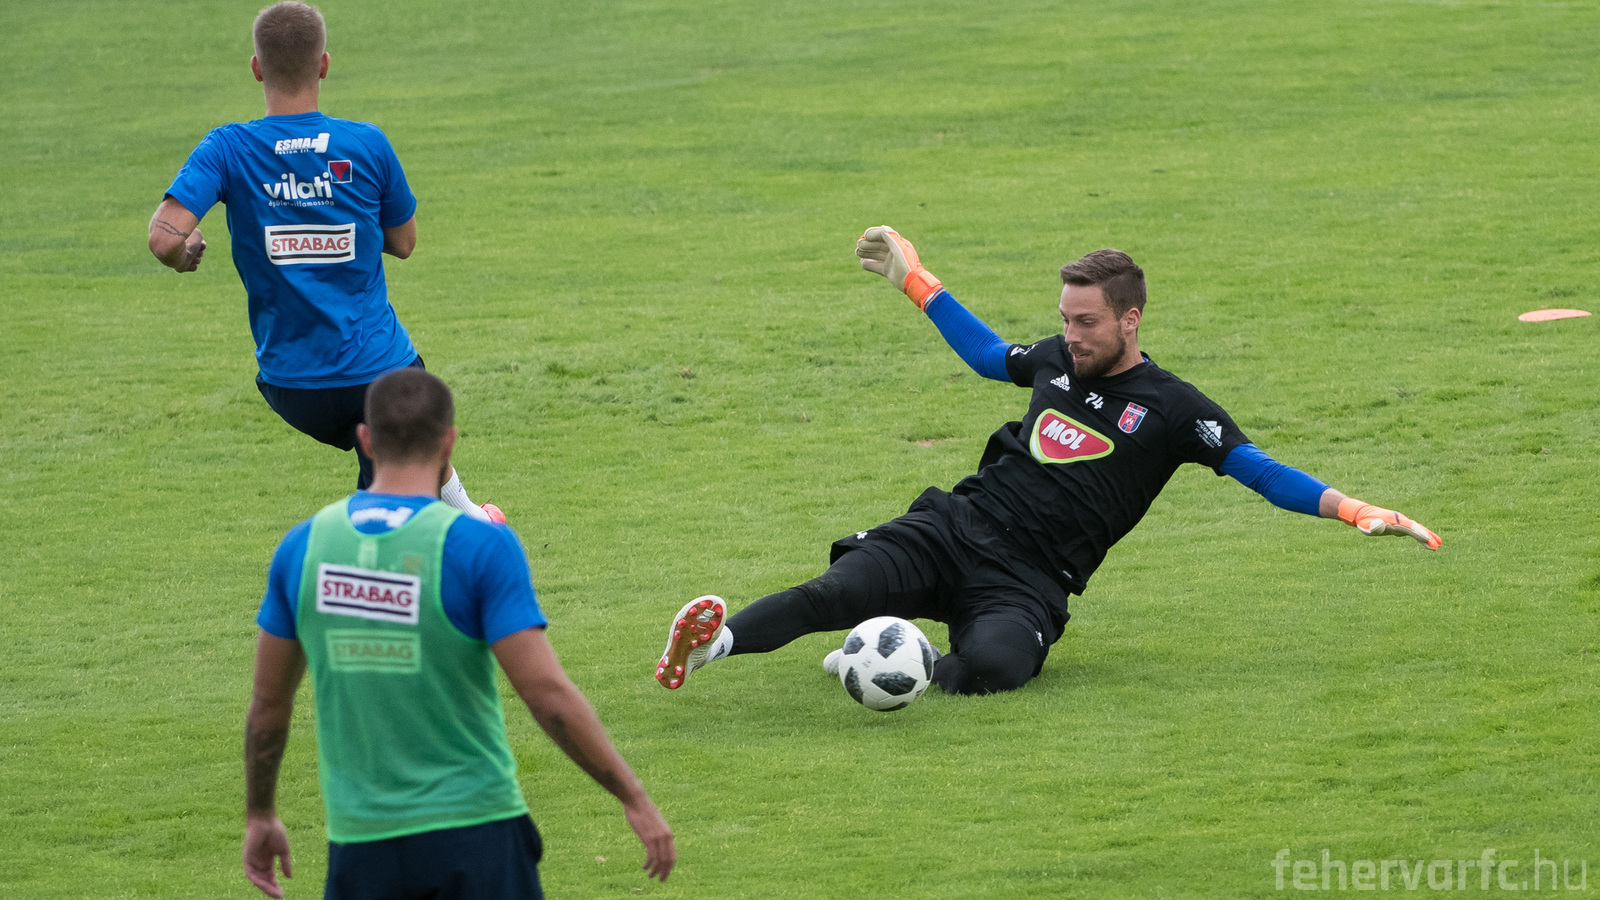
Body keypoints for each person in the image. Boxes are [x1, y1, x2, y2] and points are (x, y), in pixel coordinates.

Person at [654, 227, 1441, 696]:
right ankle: (711, 646)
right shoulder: (1056, 363)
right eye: (1066, 319)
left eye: (1087, 322)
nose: (1071, 335)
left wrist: (1354, 509)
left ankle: (894, 657)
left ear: (1130, 320)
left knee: (995, 670)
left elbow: (1260, 472)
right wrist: (916, 282)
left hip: (1030, 580)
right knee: (832, 591)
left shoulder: (1173, 409)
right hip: (954, 527)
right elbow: (988, 355)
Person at [244, 368, 674, 899]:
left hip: (362, 843)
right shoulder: (479, 547)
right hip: (477, 833)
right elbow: (546, 694)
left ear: (365, 440)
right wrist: (633, 796)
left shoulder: (303, 548)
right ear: (448, 443)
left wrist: (260, 812)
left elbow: (269, 704)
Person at [147, 1, 499, 523]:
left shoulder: (227, 148)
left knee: (398, 453)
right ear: (325, 65)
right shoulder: (365, 144)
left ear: (257, 68)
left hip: (292, 385)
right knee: (407, 425)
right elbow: (404, 242)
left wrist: (184, 253)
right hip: (376, 371)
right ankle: (451, 530)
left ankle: (466, 516)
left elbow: (164, 238)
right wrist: (340, 220)